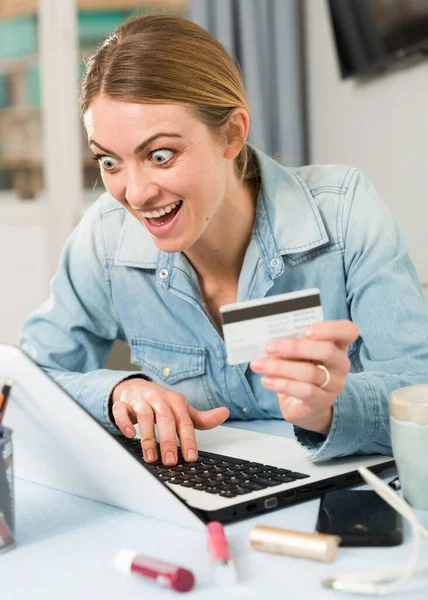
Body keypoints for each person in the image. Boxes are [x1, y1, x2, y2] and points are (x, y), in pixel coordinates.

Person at [20, 14, 428, 468]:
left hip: (337, 497)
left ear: (232, 133)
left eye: (161, 155)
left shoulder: (346, 212)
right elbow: (26, 380)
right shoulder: (104, 237)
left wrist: (328, 409)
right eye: (109, 162)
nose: (134, 194)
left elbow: (420, 388)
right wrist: (118, 391)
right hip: (195, 499)